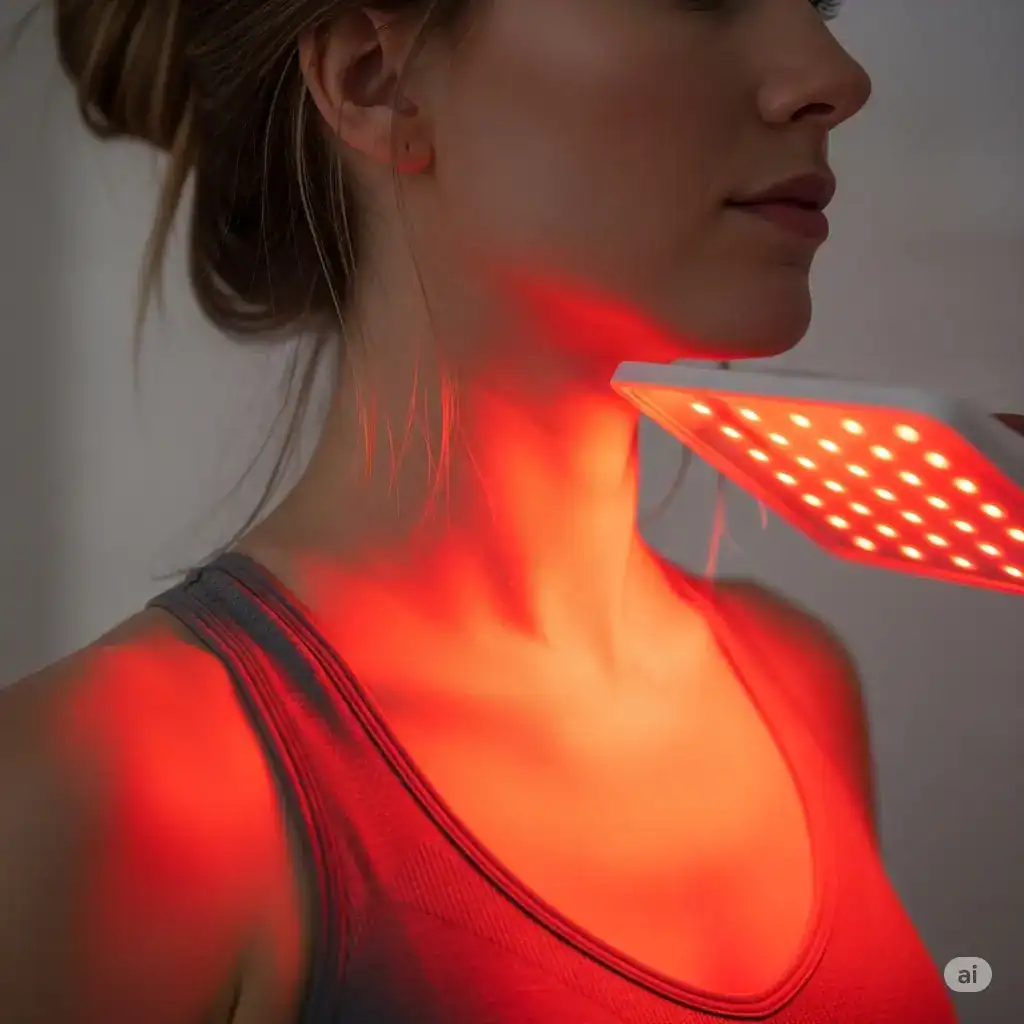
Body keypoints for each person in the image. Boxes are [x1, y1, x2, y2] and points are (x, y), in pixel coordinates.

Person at [0, 1, 962, 1021]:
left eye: (813, 2)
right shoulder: (98, 794)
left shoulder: (803, 685)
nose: (832, 74)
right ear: (376, 78)